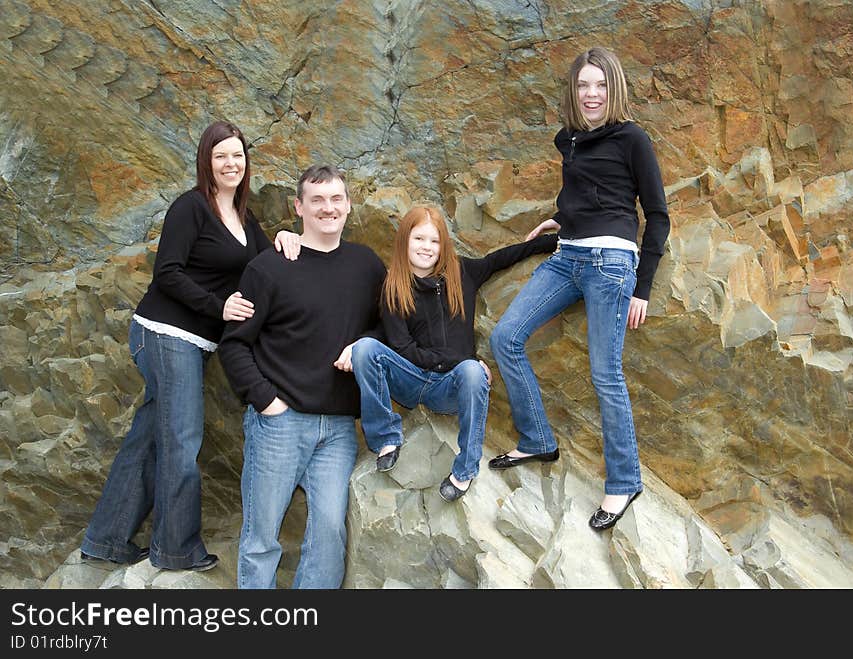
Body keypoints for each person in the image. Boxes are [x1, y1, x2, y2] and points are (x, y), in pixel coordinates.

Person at [80, 120, 301, 570]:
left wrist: (285, 236)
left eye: (237, 155)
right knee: (182, 439)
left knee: (150, 438)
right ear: (206, 161)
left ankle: (106, 538)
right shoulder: (191, 208)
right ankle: (175, 548)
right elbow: (168, 273)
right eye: (221, 155)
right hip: (163, 332)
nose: (230, 163)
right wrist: (219, 307)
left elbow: (264, 264)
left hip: (191, 343)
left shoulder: (243, 215)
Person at [488, 47, 670, 531]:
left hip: (611, 262)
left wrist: (642, 288)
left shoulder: (634, 139)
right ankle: (537, 440)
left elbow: (656, 215)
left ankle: (625, 480)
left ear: (614, 89)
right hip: (566, 256)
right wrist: (561, 218)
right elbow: (586, 193)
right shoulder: (568, 139)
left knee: (604, 373)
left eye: (600, 85)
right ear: (573, 91)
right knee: (504, 338)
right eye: (583, 85)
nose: (591, 94)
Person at [218, 164, 386, 589]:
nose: (328, 209)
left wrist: (361, 344)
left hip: (339, 428)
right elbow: (235, 344)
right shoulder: (269, 268)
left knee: (330, 534)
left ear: (348, 205)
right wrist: (267, 403)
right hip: (280, 422)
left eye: (335, 199)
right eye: (317, 200)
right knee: (261, 537)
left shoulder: (367, 265)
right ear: (299, 207)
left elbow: (391, 325)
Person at [350, 206, 557, 501]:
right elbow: (402, 349)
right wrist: (460, 360)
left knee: (472, 372)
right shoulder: (393, 288)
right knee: (365, 349)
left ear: (443, 244)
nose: (426, 247)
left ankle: (464, 471)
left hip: (449, 389)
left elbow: (504, 257)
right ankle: (385, 438)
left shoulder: (462, 273)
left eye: (434, 241)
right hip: (409, 382)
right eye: (419, 239)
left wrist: (557, 242)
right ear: (404, 241)